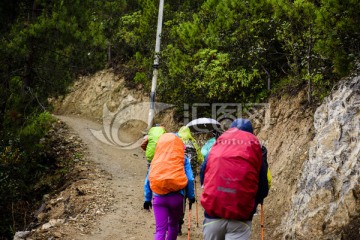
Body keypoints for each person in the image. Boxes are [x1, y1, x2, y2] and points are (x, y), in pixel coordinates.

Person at [200, 118, 271, 240]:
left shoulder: (218, 144)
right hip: (241, 216)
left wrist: (207, 189)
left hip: (213, 214)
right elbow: (264, 184)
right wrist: (254, 203)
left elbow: (203, 171)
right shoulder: (255, 148)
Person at [144, 133, 195, 240]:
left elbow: (149, 178)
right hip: (177, 198)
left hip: (159, 198)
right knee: (173, 226)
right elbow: (190, 179)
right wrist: (191, 196)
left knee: (160, 230)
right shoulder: (183, 159)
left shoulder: (156, 159)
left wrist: (147, 198)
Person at [177, 126, 204, 235]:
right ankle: (181, 221)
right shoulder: (194, 144)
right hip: (190, 176)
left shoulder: (177, 143)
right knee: (186, 199)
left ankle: (177, 225)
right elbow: (200, 159)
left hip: (177, 176)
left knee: (178, 200)